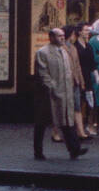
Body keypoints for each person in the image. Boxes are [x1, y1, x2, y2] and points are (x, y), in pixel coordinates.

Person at [33, 28, 87, 160]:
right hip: (48, 95)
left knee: (67, 122)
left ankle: (74, 149)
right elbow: (43, 73)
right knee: (42, 123)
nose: (62, 38)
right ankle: (38, 151)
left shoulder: (63, 51)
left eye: (63, 36)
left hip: (65, 93)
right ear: (51, 37)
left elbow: (69, 71)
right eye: (59, 36)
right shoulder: (43, 53)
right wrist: (52, 88)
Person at [70, 24, 97, 137]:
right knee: (78, 102)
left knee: (91, 102)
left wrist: (96, 74)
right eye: (85, 30)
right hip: (78, 76)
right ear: (80, 32)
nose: (87, 32)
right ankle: (77, 127)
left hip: (88, 76)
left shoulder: (89, 46)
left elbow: (92, 62)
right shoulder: (75, 46)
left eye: (88, 30)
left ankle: (90, 125)